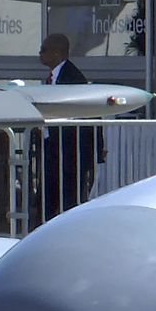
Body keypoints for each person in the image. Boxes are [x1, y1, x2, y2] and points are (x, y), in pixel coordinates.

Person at [35, 33, 101, 222]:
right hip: (54, 150)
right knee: (47, 199)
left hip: (68, 153)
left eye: (43, 50)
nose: (40, 54)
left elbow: (86, 112)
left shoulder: (73, 78)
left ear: (56, 53)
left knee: (68, 200)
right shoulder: (56, 77)